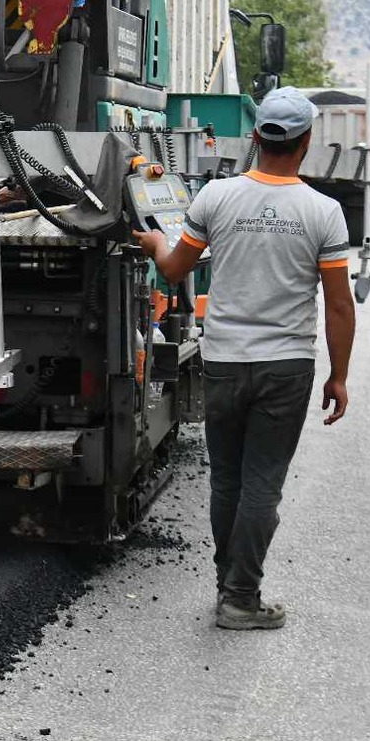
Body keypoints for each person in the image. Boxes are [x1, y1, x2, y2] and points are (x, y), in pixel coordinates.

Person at [135, 86, 355, 631]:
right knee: (262, 486)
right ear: (305, 143)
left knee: (227, 483)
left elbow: (175, 269)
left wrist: (152, 244)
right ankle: (241, 598)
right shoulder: (324, 212)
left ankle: (227, 586)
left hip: (225, 363)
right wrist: (340, 376)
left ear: (256, 138)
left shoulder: (215, 198)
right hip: (286, 368)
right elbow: (340, 306)